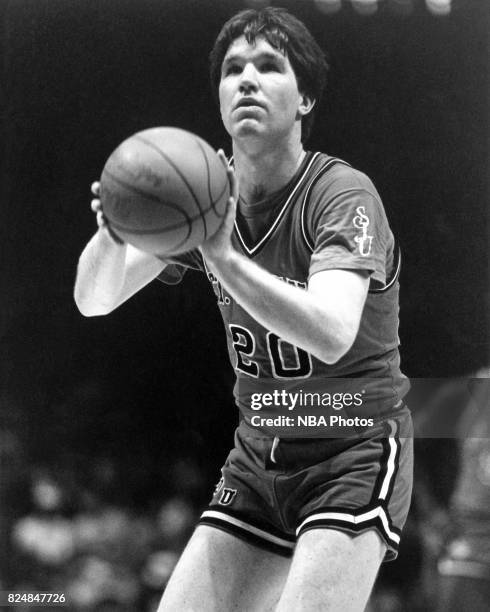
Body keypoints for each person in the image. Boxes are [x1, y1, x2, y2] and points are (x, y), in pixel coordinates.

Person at [74, 7, 413, 611]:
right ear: (221, 97)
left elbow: (332, 334)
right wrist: (114, 231)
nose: (247, 79)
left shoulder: (341, 194)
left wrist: (224, 258)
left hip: (351, 449)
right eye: (233, 69)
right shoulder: (205, 192)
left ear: (304, 98)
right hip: (259, 455)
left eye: (269, 66)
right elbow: (94, 300)